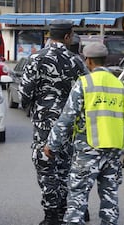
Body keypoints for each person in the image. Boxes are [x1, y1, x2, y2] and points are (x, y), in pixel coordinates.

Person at [44, 42, 124, 224]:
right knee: (110, 199)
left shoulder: (84, 84)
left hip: (88, 150)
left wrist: (52, 144)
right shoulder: (120, 86)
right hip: (113, 152)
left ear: (88, 61)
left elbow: (67, 118)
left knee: (77, 200)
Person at [19, 20, 89, 225]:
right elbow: (86, 92)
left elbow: (24, 94)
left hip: (44, 124)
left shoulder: (35, 58)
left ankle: (51, 216)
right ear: (67, 37)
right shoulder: (76, 61)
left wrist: (32, 109)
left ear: (50, 35)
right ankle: (67, 208)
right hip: (69, 125)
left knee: (46, 168)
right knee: (66, 167)